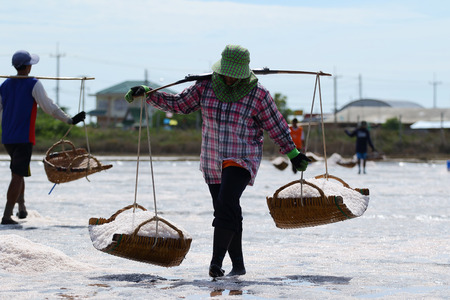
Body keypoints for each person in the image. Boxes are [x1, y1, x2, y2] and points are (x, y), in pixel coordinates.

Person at [125, 45, 311, 278]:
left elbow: (276, 125)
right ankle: (239, 265)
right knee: (227, 209)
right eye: (227, 72)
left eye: (235, 73)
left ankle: (215, 263)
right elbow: (179, 104)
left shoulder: (258, 94)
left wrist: (293, 154)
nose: (230, 77)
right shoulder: (205, 86)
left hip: (242, 156)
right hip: (212, 157)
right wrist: (149, 93)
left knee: (226, 204)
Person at [0, 50, 86, 225]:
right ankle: (7, 215)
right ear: (28, 66)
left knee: (19, 171)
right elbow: (49, 107)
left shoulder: (5, 84)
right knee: (17, 174)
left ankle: (22, 208)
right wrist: (69, 120)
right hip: (23, 137)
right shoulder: (33, 84)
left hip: (8, 138)